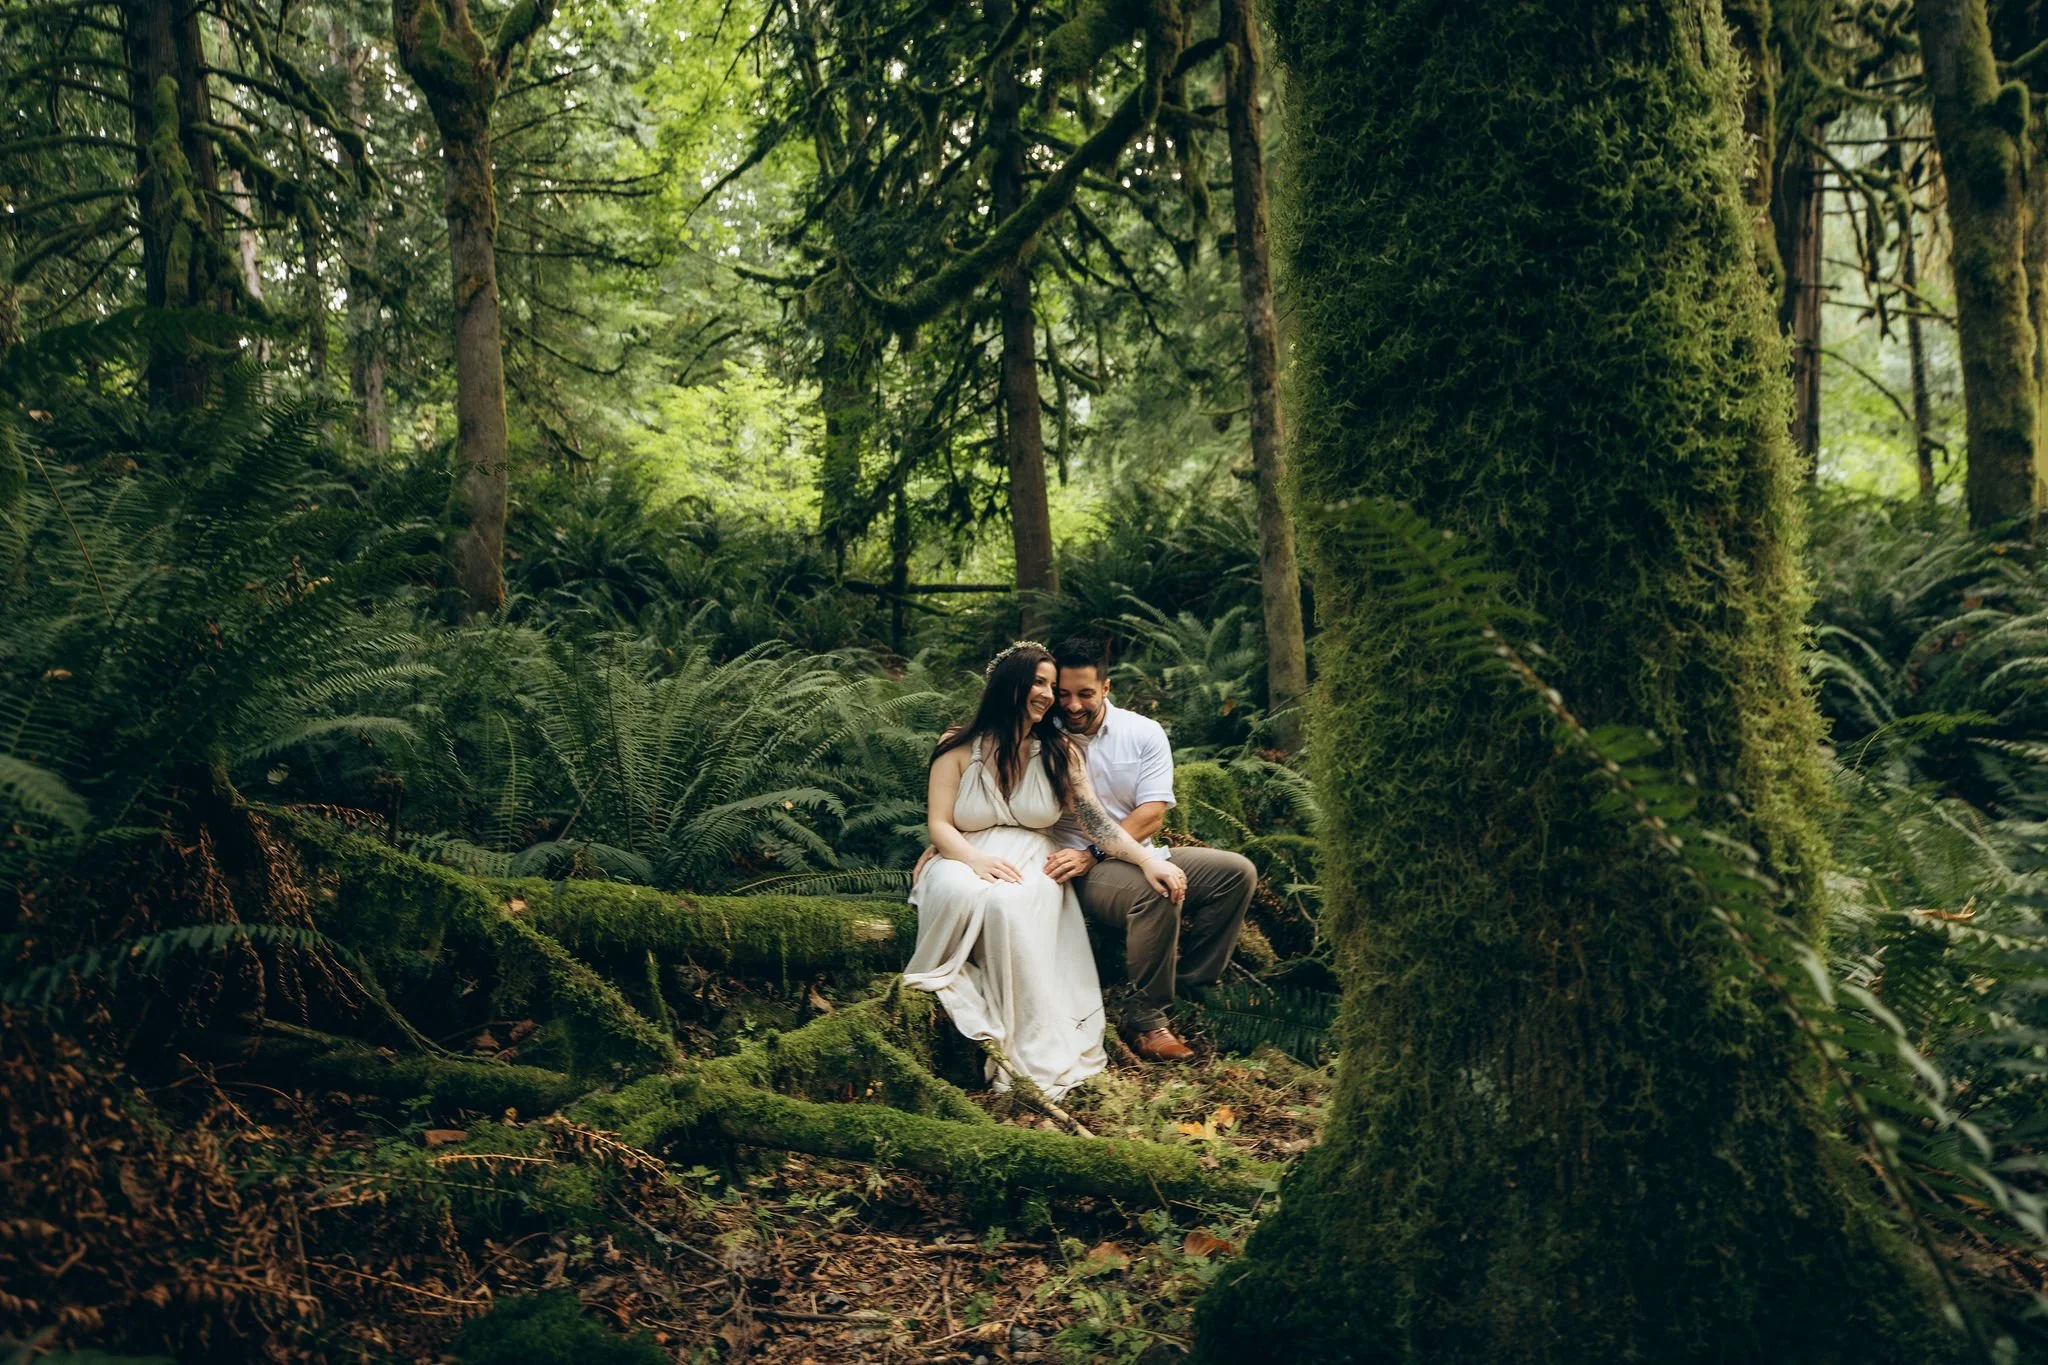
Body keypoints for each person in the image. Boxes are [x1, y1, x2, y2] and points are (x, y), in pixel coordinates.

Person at [904, 641, 1188, 1099]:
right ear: (1009, 683)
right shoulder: (956, 745)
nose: (1047, 695)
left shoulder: (1059, 751)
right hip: (963, 854)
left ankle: (1018, 1040)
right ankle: (965, 1004)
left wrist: (1148, 859)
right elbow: (938, 821)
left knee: (1006, 903)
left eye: (1051, 686)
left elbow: (1099, 824)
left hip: (1034, 859)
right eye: (1039, 682)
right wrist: (971, 858)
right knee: (963, 891)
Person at [1044, 637, 1256, 1061]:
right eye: (1062, 694)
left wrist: (1099, 851)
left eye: (1084, 694)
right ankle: (1145, 1019)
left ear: (1106, 688)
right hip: (1077, 868)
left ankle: (1190, 985)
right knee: (1154, 892)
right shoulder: (1040, 736)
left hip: (1128, 853)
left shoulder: (1142, 732)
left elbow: (1153, 814)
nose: (1071, 706)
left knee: (1237, 873)